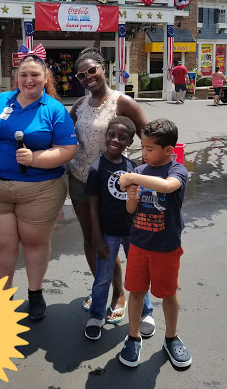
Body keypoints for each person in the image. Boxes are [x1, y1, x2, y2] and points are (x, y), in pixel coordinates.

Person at [0, 44, 77, 320]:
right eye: (23, 75)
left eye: (35, 75)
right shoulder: (1, 102)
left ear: (45, 78)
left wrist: (34, 159)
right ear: (16, 77)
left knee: (34, 243)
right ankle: (2, 297)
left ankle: (35, 293)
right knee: (2, 245)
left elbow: (68, 150)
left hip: (40, 190)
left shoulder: (54, 109)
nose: (29, 80)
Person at [68, 48, 155, 338]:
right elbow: (62, 133)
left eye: (92, 70)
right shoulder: (80, 104)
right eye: (81, 74)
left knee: (113, 237)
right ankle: (101, 290)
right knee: (92, 239)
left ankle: (120, 293)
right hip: (81, 179)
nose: (87, 77)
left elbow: (149, 138)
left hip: (116, 185)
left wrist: (142, 177)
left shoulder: (123, 102)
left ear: (103, 68)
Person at [118, 118, 192, 368]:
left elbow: (168, 187)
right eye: (143, 148)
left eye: (150, 149)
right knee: (136, 292)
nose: (144, 153)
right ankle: (133, 336)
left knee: (168, 294)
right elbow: (130, 210)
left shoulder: (177, 171)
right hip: (138, 245)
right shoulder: (139, 172)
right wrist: (131, 193)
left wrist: (131, 177)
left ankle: (171, 338)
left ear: (169, 150)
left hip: (166, 247)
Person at [84, 116, 137, 340]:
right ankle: (96, 315)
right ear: (105, 136)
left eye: (122, 138)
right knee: (103, 278)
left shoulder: (132, 166)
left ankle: (145, 312)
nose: (116, 140)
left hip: (132, 232)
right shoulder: (97, 169)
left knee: (138, 275)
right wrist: (97, 237)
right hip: (108, 234)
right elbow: (93, 207)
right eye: (112, 135)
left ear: (129, 142)